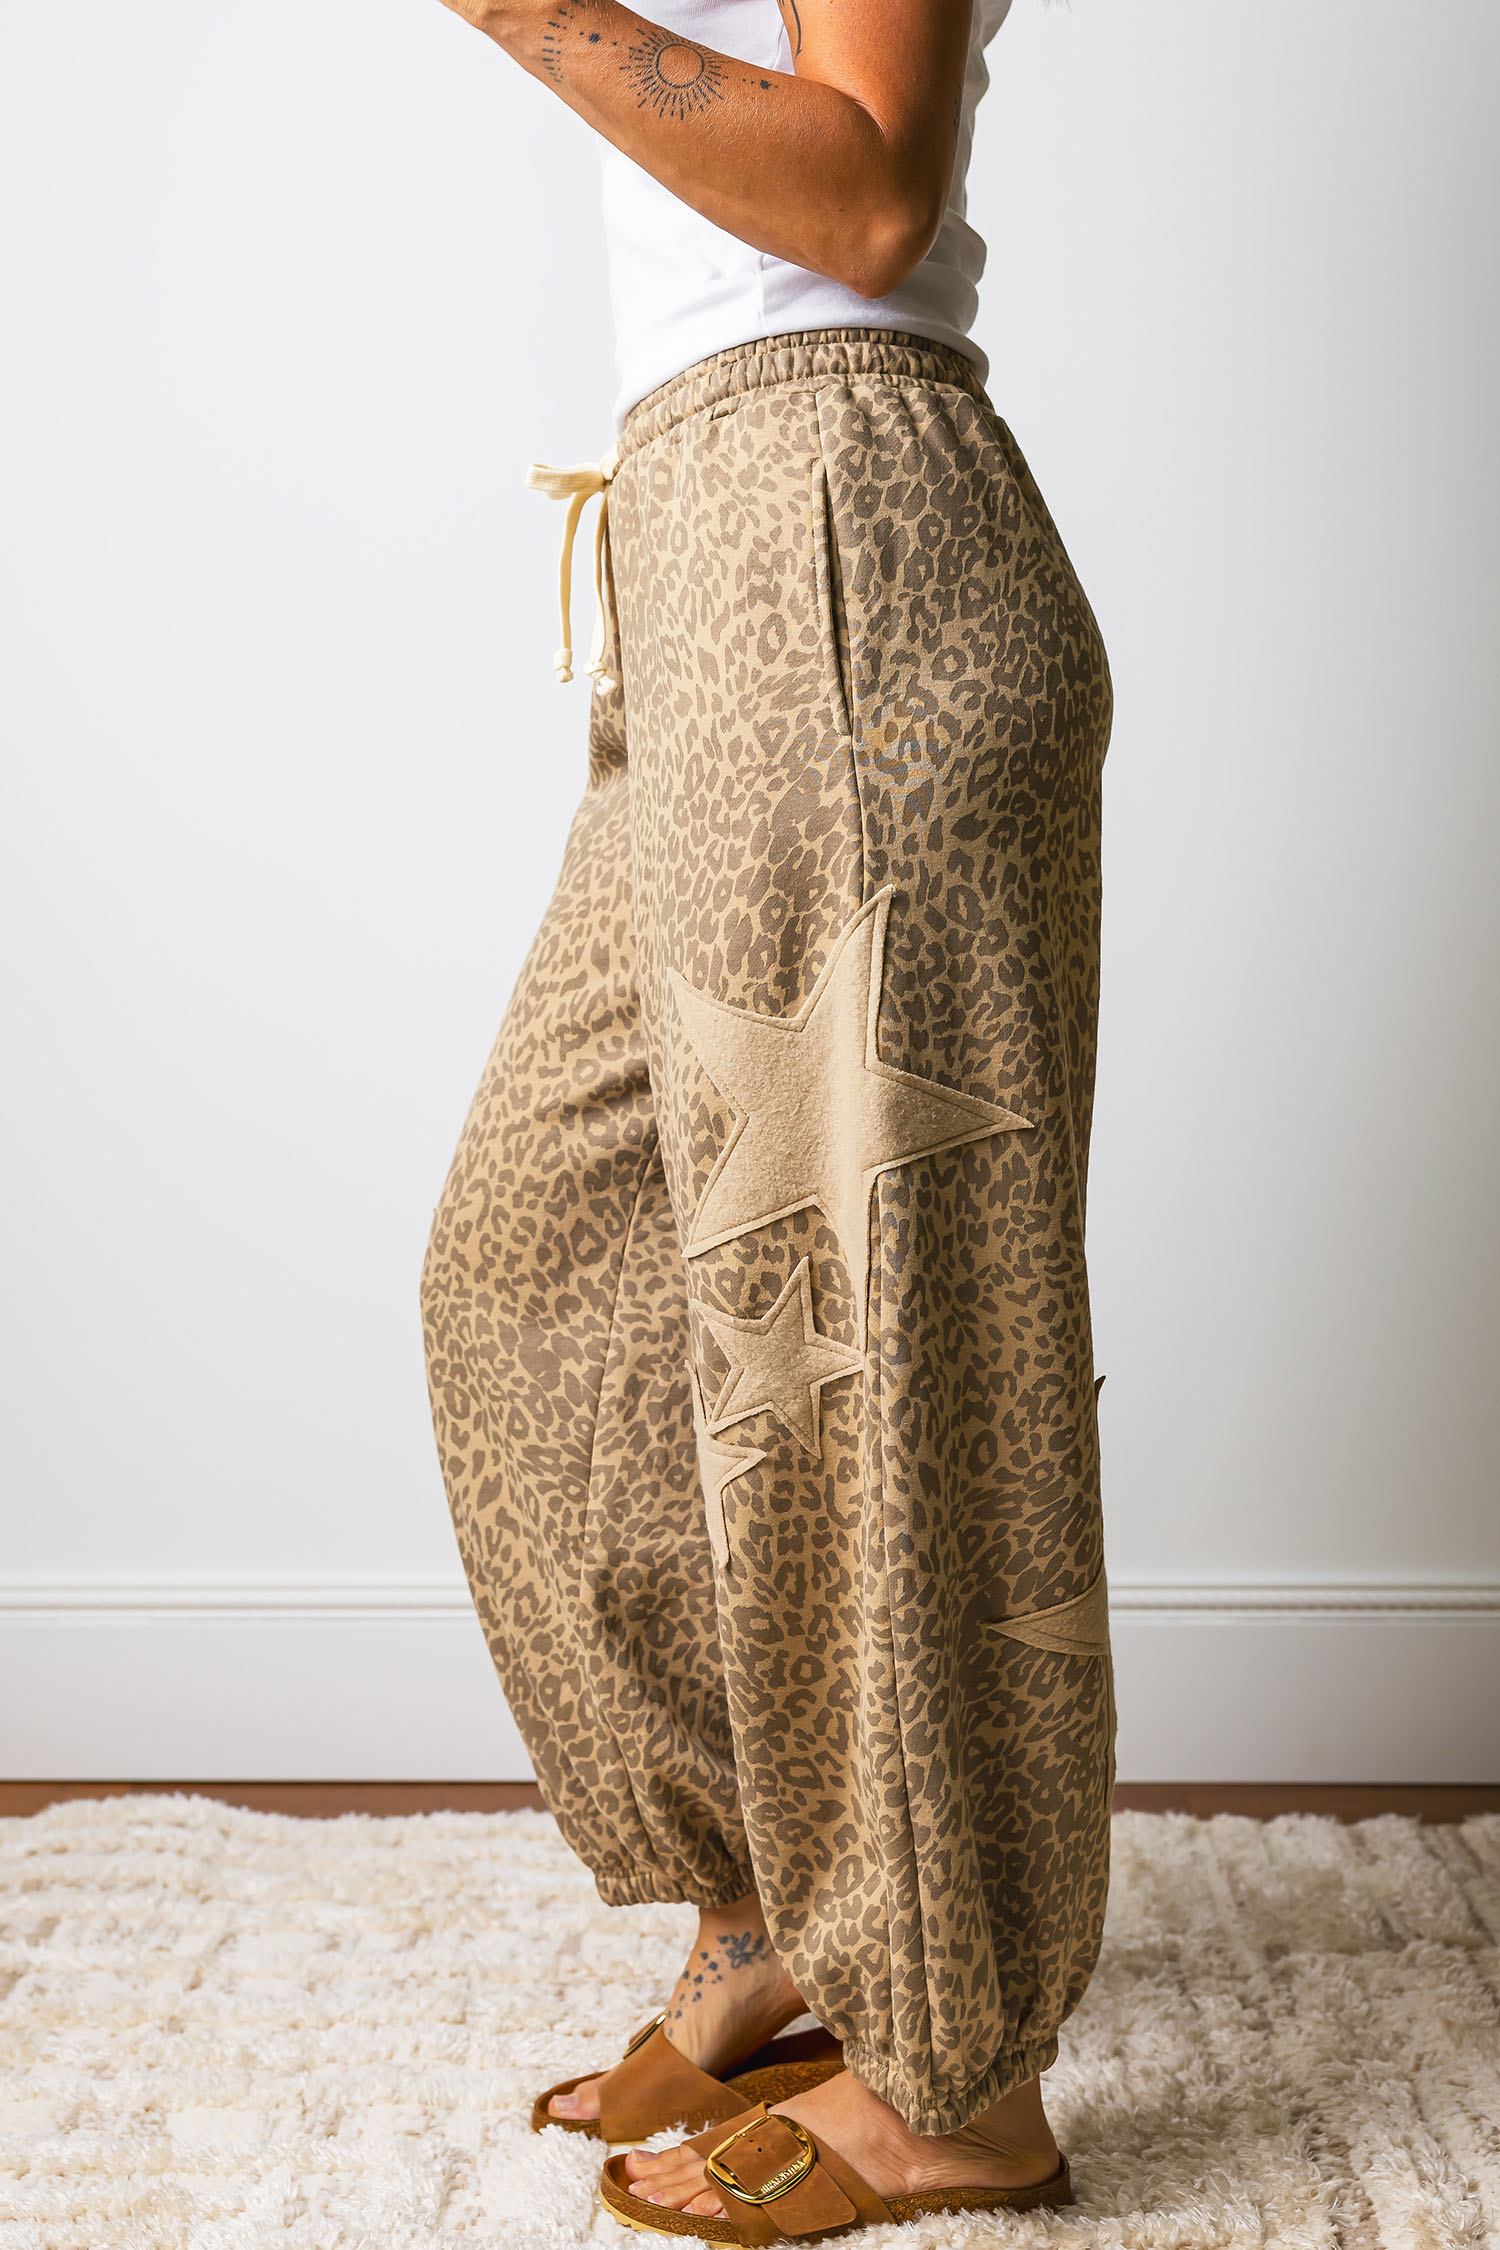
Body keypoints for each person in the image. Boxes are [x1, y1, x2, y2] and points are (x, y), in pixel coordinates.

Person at [419, 0, 1116, 2235]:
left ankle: (957, 2077)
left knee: (869, 1362)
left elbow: (872, 192)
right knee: (544, 1265)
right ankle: (783, 1910)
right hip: (705, 545)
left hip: (848, 537)